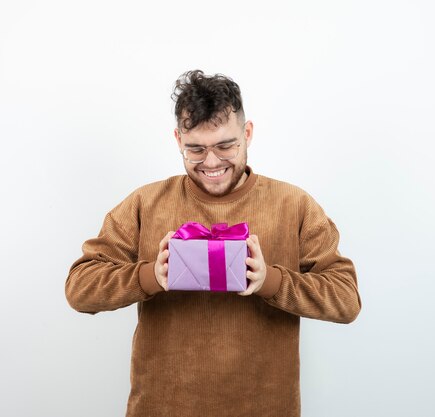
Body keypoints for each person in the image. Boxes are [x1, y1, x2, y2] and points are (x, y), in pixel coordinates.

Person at [65, 69, 362, 417]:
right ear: (177, 139)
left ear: (247, 133)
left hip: (265, 407)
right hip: (162, 408)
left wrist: (270, 281)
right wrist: (150, 276)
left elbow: (346, 300)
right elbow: (79, 289)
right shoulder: (145, 203)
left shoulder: (293, 205)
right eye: (195, 149)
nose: (211, 162)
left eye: (226, 146)